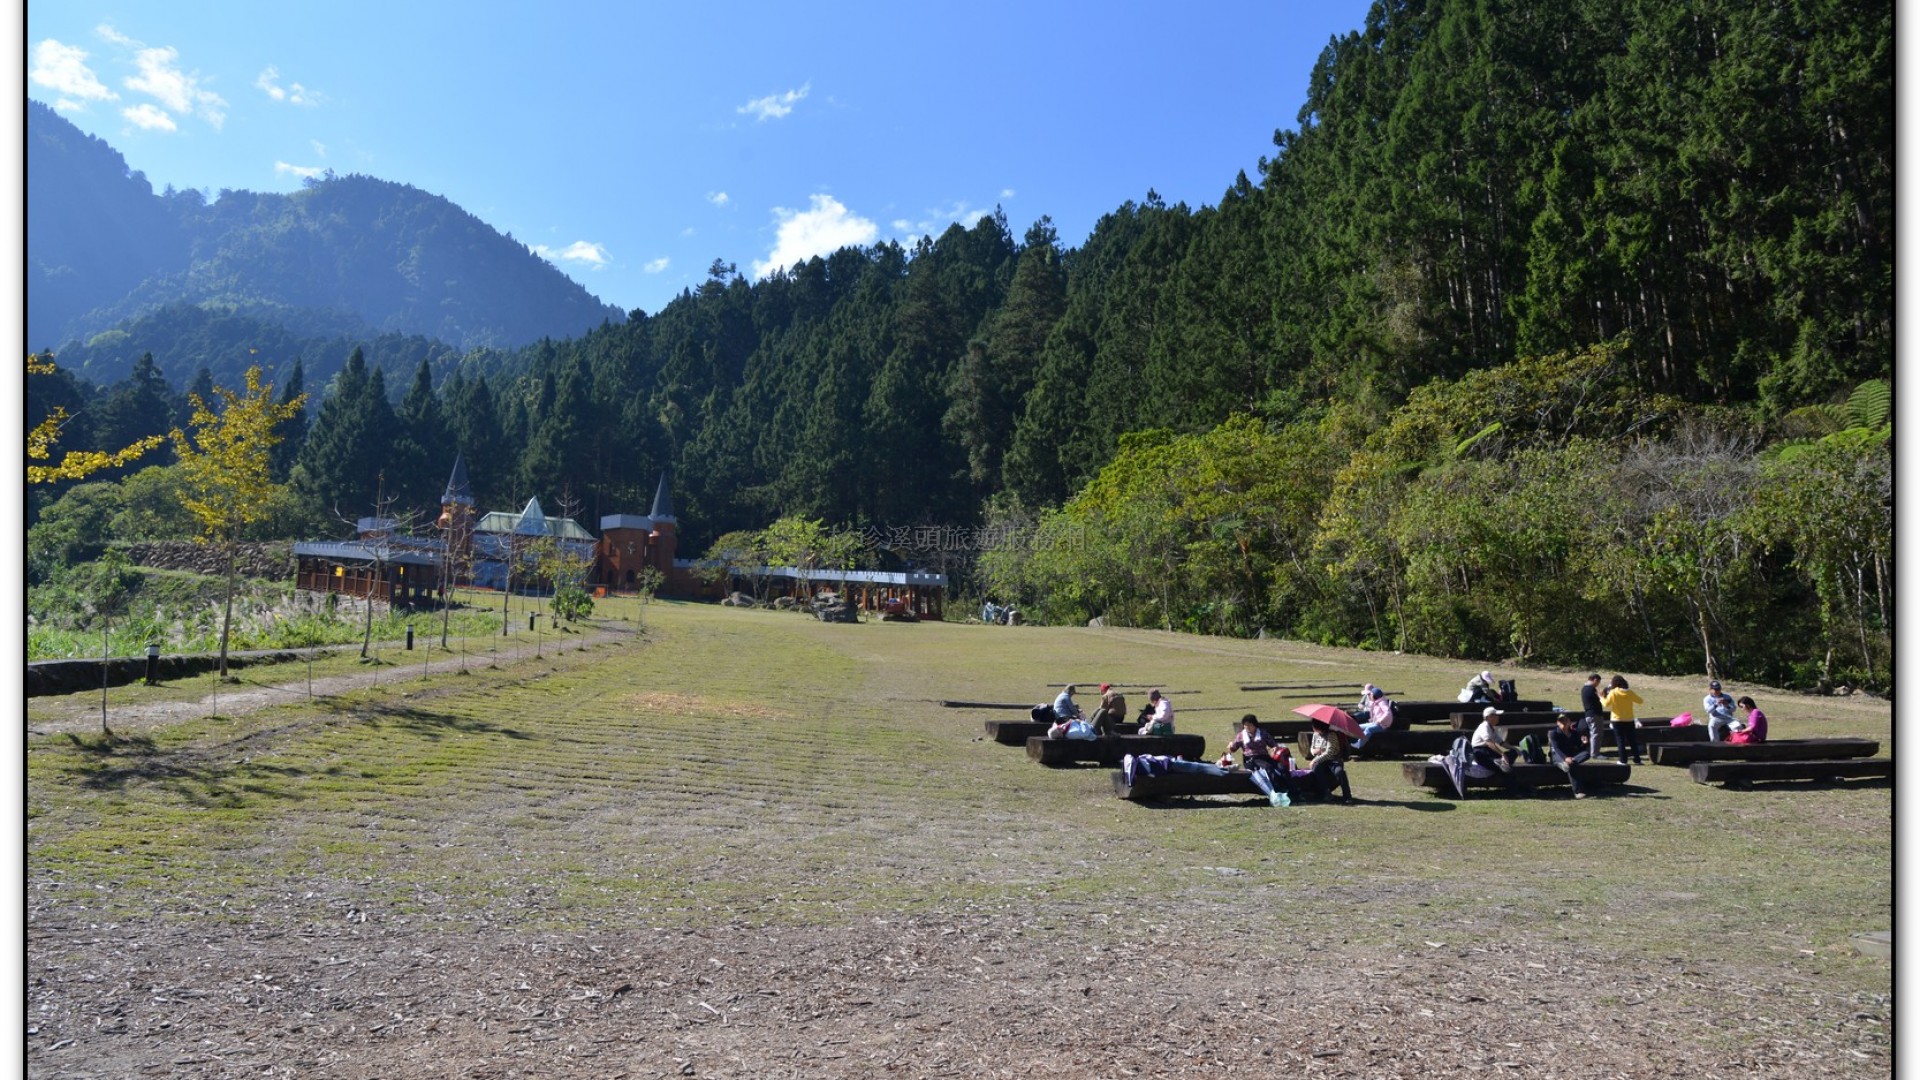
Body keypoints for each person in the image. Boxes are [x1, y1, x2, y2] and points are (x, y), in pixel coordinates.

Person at [1219, 714, 1294, 807]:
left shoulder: (1262, 733)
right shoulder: (1241, 735)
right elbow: (1234, 748)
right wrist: (1231, 746)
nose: (1247, 727)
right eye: (1245, 725)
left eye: (1249, 725)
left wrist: (1275, 748)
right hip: (1251, 759)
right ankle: (1278, 790)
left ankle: (1292, 789)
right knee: (1268, 768)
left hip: (1264, 756)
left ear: (1254, 725)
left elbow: (1273, 744)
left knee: (1282, 767)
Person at [1599, 675, 1645, 765]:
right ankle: (1637, 759)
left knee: (1620, 740)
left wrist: (1601, 697)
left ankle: (1623, 760)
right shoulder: (1629, 692)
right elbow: (1640, 701)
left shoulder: (1613, 692)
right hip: (1629, 719)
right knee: (1632, 740)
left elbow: (1606, 704)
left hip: (1617, 719)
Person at [1547, 711, 1595, 798]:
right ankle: (1578, 791)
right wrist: (1565, 758)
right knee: (1572, 765)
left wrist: (1584, 743)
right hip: (1557, 756)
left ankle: (1567, 763)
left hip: (1571, 757)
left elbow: (1579, 749)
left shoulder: (1574, 733)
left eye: (1565, 721)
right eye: (1561, 721)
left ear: (1570, 722)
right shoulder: (1554, 733)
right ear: (1557, 723)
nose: (1563, 723)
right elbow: (1557, 749)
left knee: (1586, 754)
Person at [1305, 718, 1353, 803]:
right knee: (1316, 769)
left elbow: (1329, 753)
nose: (1312, 727)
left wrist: (1314, 760)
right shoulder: (1315, 735)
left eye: (1314, 725)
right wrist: (1315, 751)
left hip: (1334, 760)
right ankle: (1326, 793)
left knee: (1339, 772)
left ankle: (1347, 796)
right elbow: (1312, 749)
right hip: (1321, 760)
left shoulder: (1331, 735)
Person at [1122, 752, 1229, 786]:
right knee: (1197, 767)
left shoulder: (1143, 765)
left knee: (1198, 768)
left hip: (1172, 764)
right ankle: (1220, 769)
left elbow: (1157, 771)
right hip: (1171, 763)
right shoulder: (1142, 759)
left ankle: (1221, 770)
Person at [1350, 686, 1395, 751]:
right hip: (1376, 723)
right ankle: (1353, 740)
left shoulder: (1382, 703)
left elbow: (1387, 712)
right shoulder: (1376, 702)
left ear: (1374, 696)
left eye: (1370, 694)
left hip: (1382, 725)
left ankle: (1359, 744)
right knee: (1358, 727)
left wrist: (1379, 720)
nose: (1369, 696)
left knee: (1368, 730)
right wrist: (1372, 718)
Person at [1579, 673, 1608, 754]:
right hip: (1594, 714)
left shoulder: (1585, 688)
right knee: (1596, 734)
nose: (1598, 684)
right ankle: (1595, 753)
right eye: (1598, 682)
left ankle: (1593, 751)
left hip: (1590, 714)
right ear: (1595, 680)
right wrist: (1602, 696)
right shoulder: (1591, 689)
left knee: (1594, 733)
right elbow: (1598, 700)